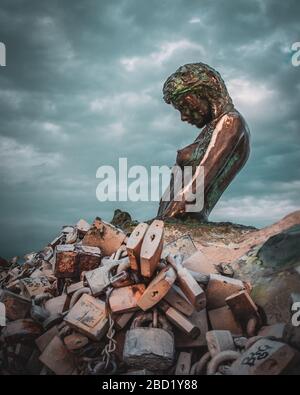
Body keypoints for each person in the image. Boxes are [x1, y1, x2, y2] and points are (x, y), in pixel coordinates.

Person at [157, 63, 250, 221]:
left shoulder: (230, 122)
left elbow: (198, 183)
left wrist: (164, 219)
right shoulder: (210, 130)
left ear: (205, 92)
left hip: (181, 220)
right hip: (171, 220)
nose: (184, 116)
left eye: (185, 106)